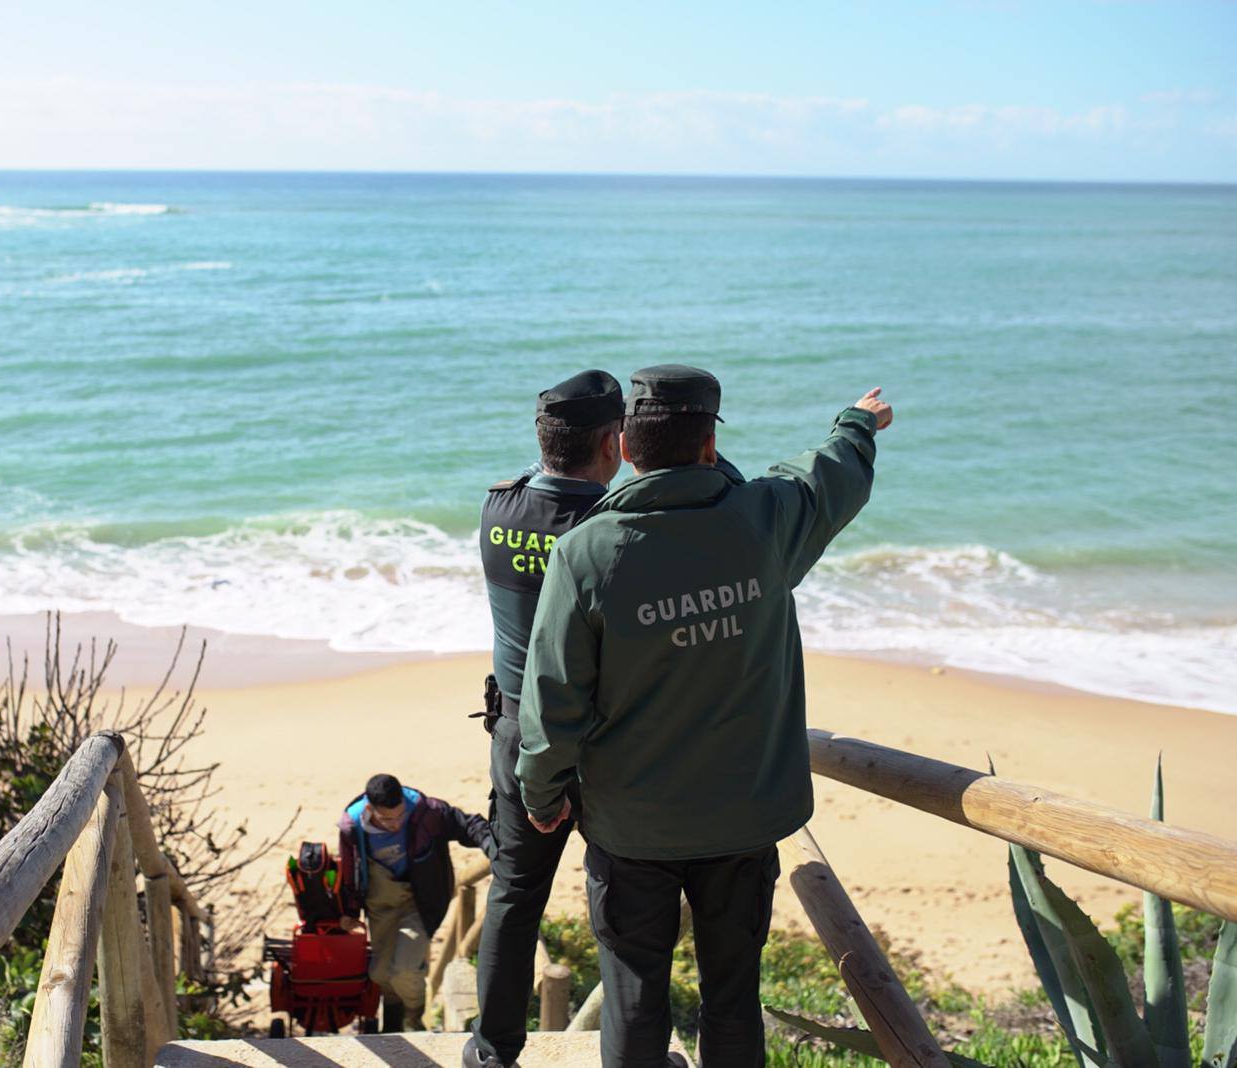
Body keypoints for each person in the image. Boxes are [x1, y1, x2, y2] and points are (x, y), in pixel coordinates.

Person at [516, 366, 892, 1068]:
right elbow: (829, 478)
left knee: (633, 996)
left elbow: (553, 698)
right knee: (731, 995)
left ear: (624, 446)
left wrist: (542, 795)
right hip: (742, 820)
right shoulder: (765, 519)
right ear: (712, 446)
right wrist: (856, 422)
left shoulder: (587, 554)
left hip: (632, 827)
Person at [467, 369, 743, 1068]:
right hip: (605, 747)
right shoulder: (612, 528)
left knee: (514, 894)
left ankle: (492, 1053)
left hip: (515, 730)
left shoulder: (498, 511)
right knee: (624, 915)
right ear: (614, 442)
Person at [337, 773, 494, 1033]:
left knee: (405, 970)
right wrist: (350, 910)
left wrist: (492, 845)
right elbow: (349, 871)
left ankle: (414, 1018)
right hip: (380, 902)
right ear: (369, 810)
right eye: (388, 819)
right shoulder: (351, 826)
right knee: (379, 974)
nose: (397, 824)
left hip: (420, 901)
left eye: (400, 815)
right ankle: (392, 1024)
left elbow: (467, 825)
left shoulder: (425, 812)